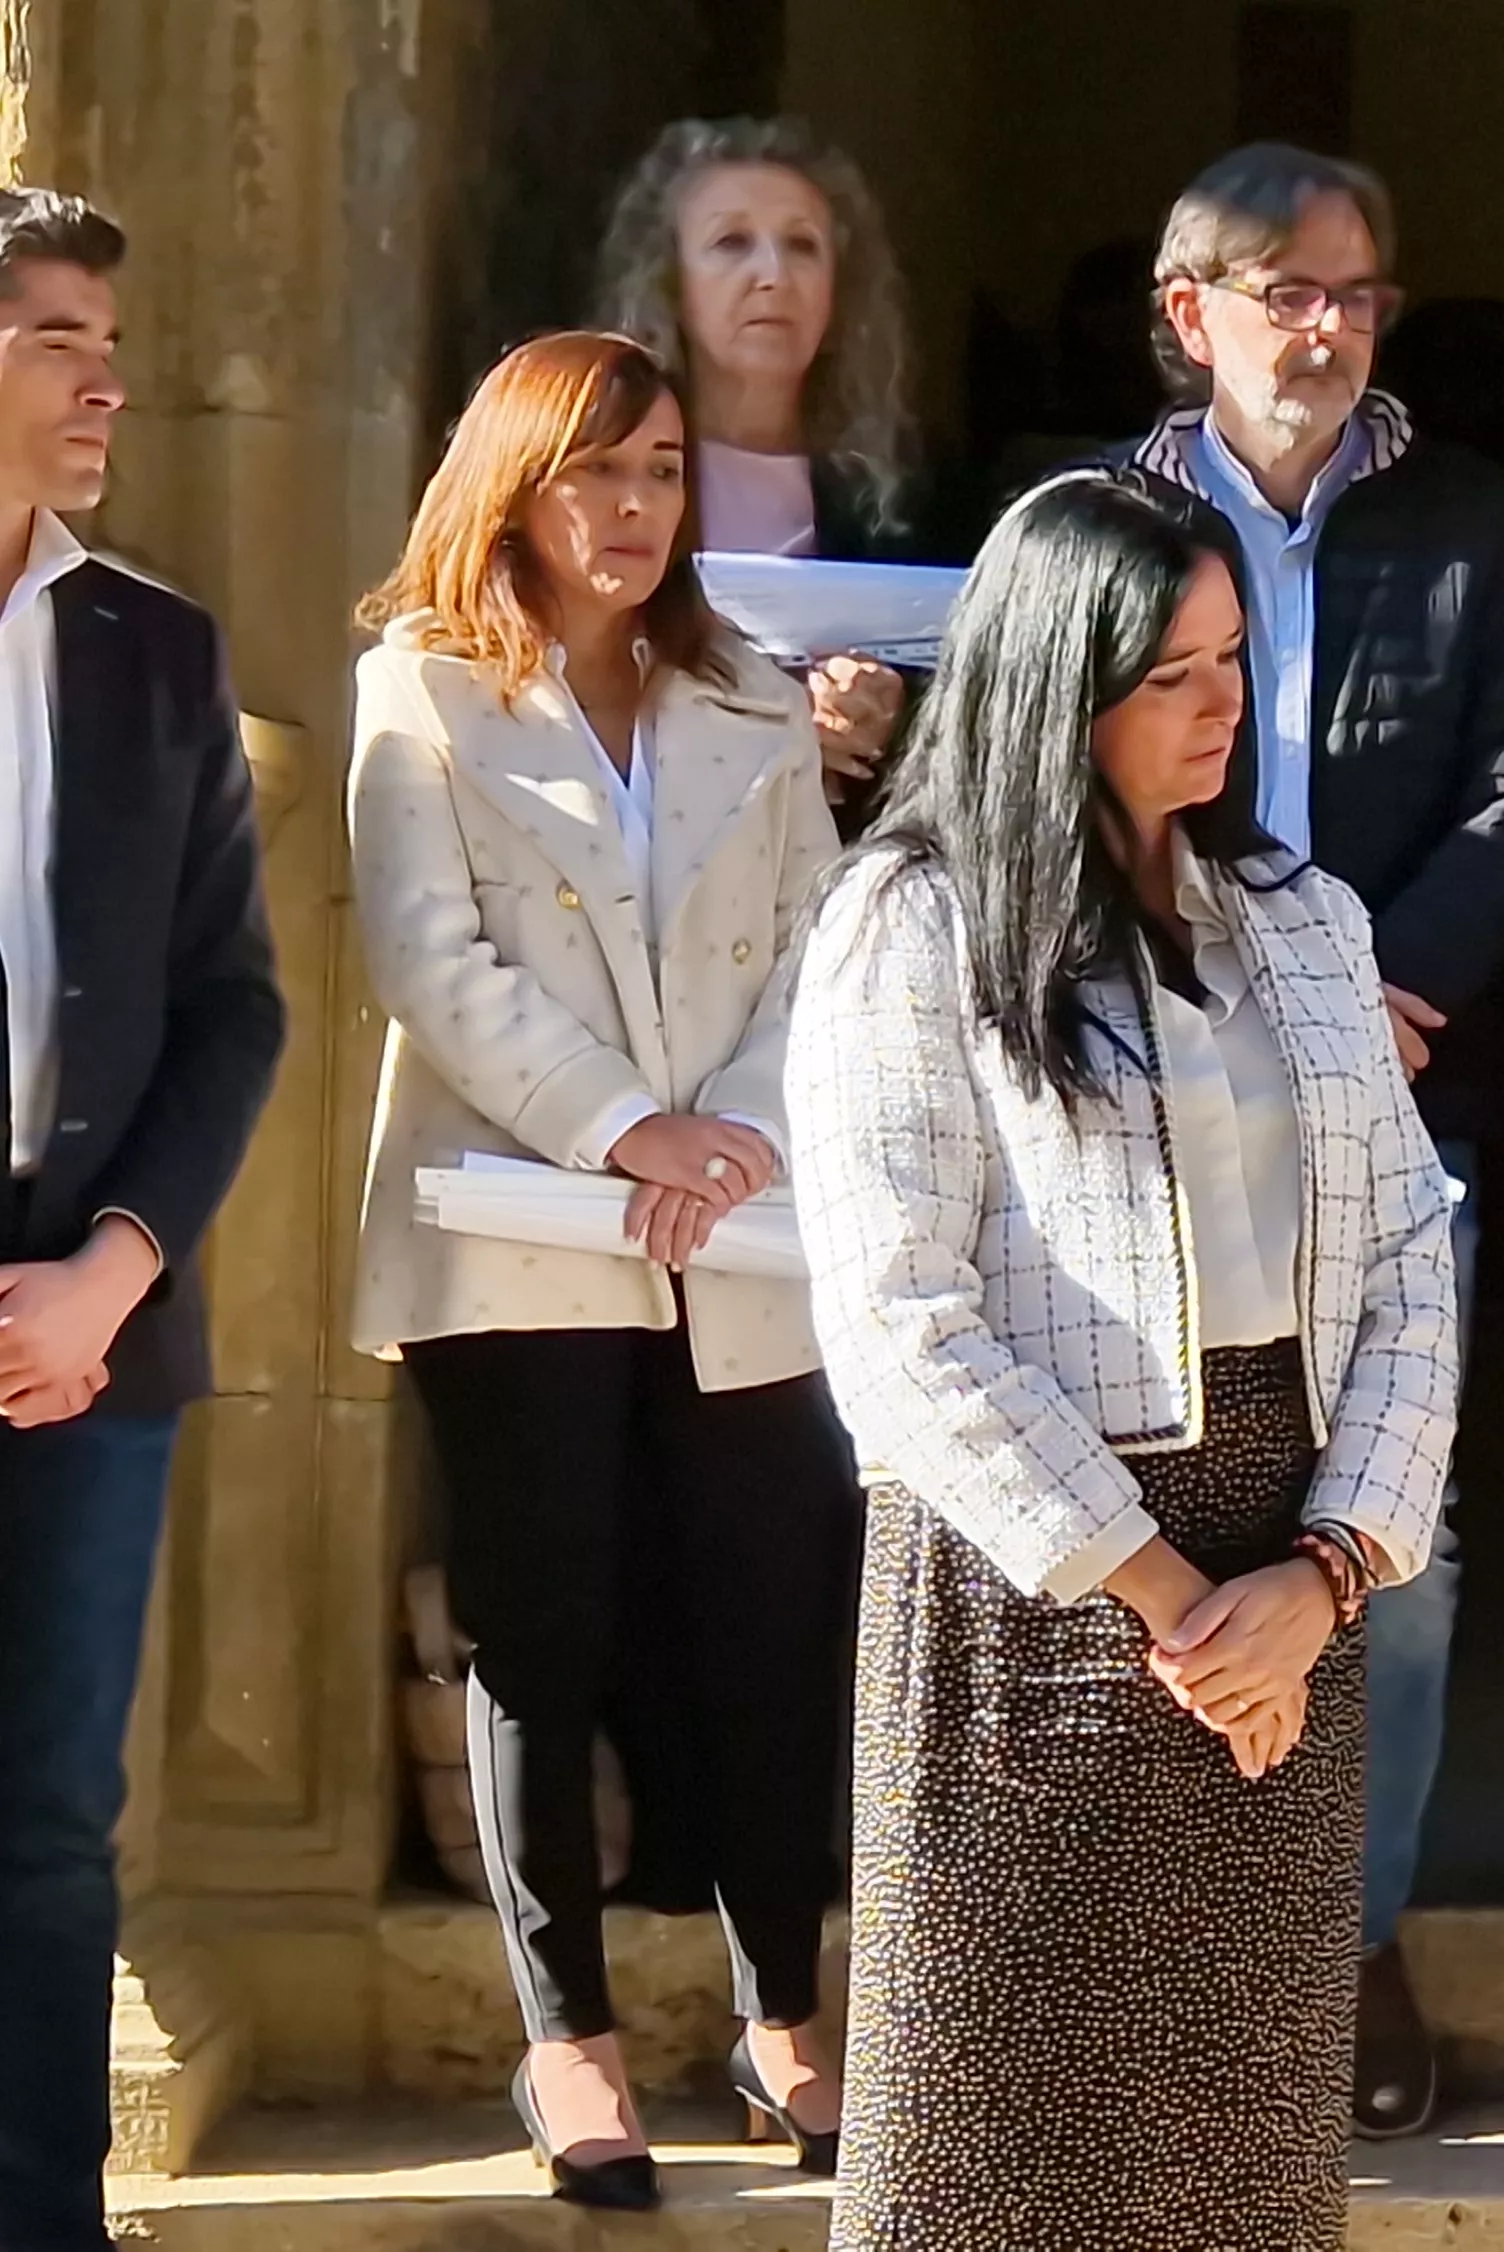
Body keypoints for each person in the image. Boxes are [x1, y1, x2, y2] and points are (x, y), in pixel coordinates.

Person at [789, 468, 1459, 2250]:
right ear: (1049, 685)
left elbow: (1409, 1258)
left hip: (1284, 1557)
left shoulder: (1305, 919)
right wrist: (1170, 1597)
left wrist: (1322, 1573)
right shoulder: (911, 923)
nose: (1224, 704)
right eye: (1173, 674)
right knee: (989, 2151)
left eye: (1233, 657)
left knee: (1238, 2160)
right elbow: (895, 1314)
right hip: (1040, 1581)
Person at [345, 329, 856, 2206]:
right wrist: (623, 1125)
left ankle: (784, 2011)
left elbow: (822, 938)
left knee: (766, 1610)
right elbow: (429, 952)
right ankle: (565, 2039)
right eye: (592, 472)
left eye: (657, 470)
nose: (632, 509)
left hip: (738, 1220)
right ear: (512, 485)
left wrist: (725, 1120)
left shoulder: (755, 695)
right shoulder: (420, 688)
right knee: (538, 1628)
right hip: (519, 1215)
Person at [1121, 141, 1504, 2135]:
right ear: (1185, 309)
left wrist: (1383, 1001)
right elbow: (1050, 759)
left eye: (1354, 292)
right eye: (1281, 286)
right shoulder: (1097, 520)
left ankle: (1346, 1941)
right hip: (1143, 1086)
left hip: (1402, 1090)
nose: (1322, 325)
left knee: (1402, 1539)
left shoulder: (1470, 523)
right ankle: (1160, 1948)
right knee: (1159, 1502)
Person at [0, 188, 285, 2252]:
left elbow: (233, 1004)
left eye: (110, 333)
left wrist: (111, 1269)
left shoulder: (156, 648)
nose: (110, 376)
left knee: (46, 1830)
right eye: (56, 337)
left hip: (95, 1329)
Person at [595, 116, 926, 818]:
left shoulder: (896, 497)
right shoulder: (598, 472)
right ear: (668, 281)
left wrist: (886, 706)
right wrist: (774, 723)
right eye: (731, 243)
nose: (773, 275)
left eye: (802, 246)